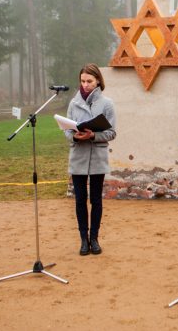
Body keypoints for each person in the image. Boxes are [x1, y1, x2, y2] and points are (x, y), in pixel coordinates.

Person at [64, 63, 116, 255]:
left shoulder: (107, 104)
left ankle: (94, 238)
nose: (85, 85)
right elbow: (67, 131)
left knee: (96, 199)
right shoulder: (73, 103)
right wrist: (75, 136)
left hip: (97, 158)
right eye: (82, 81)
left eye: (89, 81)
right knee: (80, 200)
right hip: (78, 157)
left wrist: (93, 135)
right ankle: (83, 240)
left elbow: (111, 133)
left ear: (98, 81)